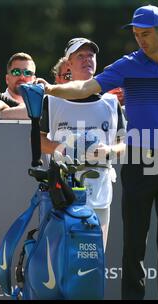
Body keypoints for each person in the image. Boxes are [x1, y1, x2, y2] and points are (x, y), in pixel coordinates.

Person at [36, 5, 158, 300]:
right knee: (134, 244)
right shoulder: (128, 64)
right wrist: (50, 90)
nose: (140, 40)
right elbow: (85, 88)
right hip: (139, 159)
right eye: (136, 34)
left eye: (145, 34)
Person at [40, 38, 126, 250]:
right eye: (80, 56)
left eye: (91, 55)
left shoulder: (110, 101)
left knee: (94, 256)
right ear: (68, 64)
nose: (87, 59)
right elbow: (38, 140)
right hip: (62, 190)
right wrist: (66, 149)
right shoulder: (51, 100)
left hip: (100, 191)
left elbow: (123, 143)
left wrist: (108, 151)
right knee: (62, 257)